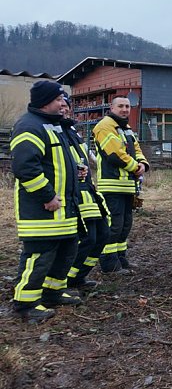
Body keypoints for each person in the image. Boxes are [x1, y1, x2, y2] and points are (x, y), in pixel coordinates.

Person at [10, 80, 83, 323]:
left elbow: (59, 162)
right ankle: (25, 303)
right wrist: (48, 196)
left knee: (65, 251)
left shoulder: (54, 125)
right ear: (44, 102)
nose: (63, 103)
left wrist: (77, 170)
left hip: (64, 210)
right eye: (58, 99)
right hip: (42, 210)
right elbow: (24, 168)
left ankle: (52, 292)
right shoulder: (29, 127)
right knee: (39, 256)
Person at [60, 94, 111, 290]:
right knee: (87, 238)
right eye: (61, 105)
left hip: (88, 191)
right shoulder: (53, 132)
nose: (64, 109)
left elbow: (88, 157)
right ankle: (65, 279)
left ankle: (78, 276)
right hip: (73, 193)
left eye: (66, 105)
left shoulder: (73, 131)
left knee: (102, 235)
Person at [93, 95, 149, 273]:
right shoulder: (104, 127)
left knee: (125, 225)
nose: (125, 109)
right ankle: (109, 263)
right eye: (121, 106)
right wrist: (135, 167)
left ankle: (120, 258)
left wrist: (142, 164)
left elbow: (136, 149)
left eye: (127, 106)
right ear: (112, 108)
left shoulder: (125, 128)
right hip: (111, 185)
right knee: (114, 225)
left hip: (126, 186)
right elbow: (115, 154)